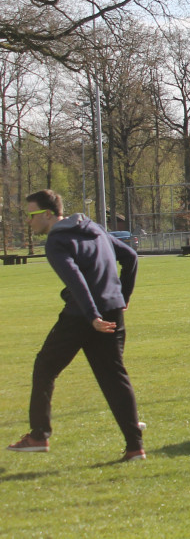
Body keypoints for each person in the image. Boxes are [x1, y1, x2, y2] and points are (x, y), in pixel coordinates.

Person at [7, 190, 145, 461]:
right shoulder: (92, 226)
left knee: (45, 366)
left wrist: (92, 315)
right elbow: (130, 257)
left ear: (48, 214)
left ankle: (38, 435)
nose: (29, 221)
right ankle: (135, 447)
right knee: (114, 377)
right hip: (112, 311)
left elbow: (76, 280)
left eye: (31, 215)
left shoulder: (56, 240)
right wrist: (122, 299)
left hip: (82, 316)